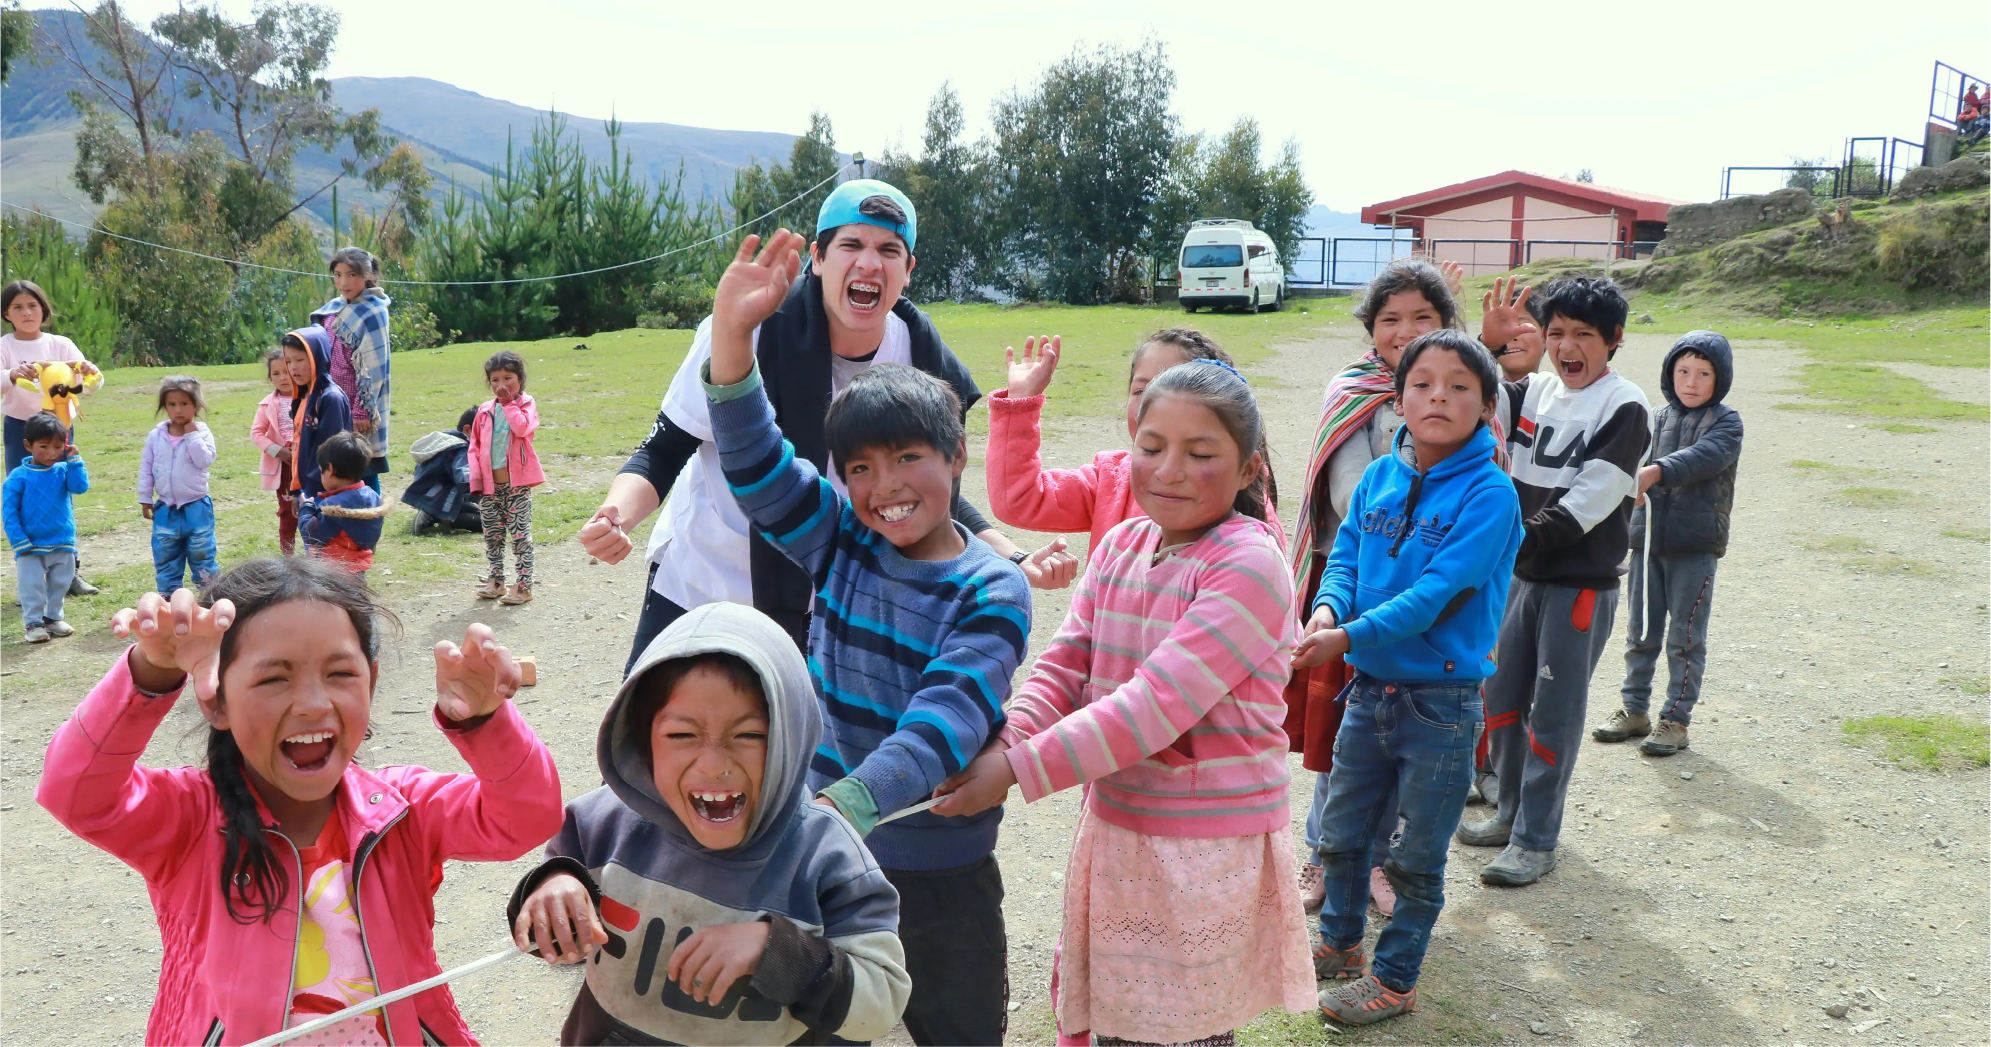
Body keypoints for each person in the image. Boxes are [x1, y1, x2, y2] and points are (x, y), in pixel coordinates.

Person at [704, 229, 1031, 1047]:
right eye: (858, 469)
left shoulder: (992, 587)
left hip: (938, 865)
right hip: (828, 862)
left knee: (958, 1032)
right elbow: (754, 461)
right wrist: (734, 335)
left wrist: (847, 802)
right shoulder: (840, 535)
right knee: (816, 1029)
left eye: (908, 458)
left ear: (957, 457)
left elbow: (945, 720)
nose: (882, 488)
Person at [935, 359, 1314, 1047]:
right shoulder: (1120, 543)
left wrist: (1015, 772)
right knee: (1120, 1020)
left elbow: (1152, 705)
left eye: (1199, 454)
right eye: (1149, 446)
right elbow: (1067, 662)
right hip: (1120, 826)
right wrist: (1006, 738)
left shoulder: (1248, 563)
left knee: (1181, 1031)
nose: (1167, 469)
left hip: (1202, 846)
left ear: (1247, 467)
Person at [35, 557, 563, 1047]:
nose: (313, 704)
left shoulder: (404, 809)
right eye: (273, 678)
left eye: (340, 674)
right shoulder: (190, 817)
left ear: (371, 683)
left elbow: (528, 816)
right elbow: (76, 793)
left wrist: (484, 722)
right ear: (217, 697)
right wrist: (153, 674)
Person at [577, 178, 1067, 670]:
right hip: (707, 576)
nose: (869, 263)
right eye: (851, 244)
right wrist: (614, 513)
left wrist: (1012, 554)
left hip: (831, 599)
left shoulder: (919, 356)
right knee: (652, 733)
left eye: (889, 250)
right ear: (817, 257)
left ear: (908, 269)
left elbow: (927, 491)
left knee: (799, 742)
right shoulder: (745, 328)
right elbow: (663, 450)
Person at [510, 601, 911, 1047]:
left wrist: (775, 952)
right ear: (643, 745)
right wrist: (553, 887)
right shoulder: (602, 823)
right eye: (682, 736)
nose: (715, 764)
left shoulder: (826, 856)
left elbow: (881, 1004)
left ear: (793, 739)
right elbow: (552, 941)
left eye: (749, 735)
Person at [1294, 330, 1522, 1026]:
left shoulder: (1491, 495)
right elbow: (1347, 560)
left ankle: (1393, 980)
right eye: (1422, 383)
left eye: (1458, 387)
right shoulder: (1376, 478)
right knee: (1340, 834)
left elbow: (1436, 595)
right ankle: (1337, 948)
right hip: (1366, 692)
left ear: (1486, 407)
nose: (1437, 397)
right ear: (1398, 398)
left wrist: (1345, 635)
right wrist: (1328, 606)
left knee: (1414, 857)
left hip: (1441, 705)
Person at [1457, 275, 1650, 887]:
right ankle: (1510, 814)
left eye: (1584, 335)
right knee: (1502, 702)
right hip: (1521, 579)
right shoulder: (1533, 391)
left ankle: (1536, 840)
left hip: (1579, 586)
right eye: (1557, 332)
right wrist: (1485, 349)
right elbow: (1470, 402)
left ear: (1614, 339)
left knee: (1554, 716)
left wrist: (1494, 543)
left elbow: (1585, 505)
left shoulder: (1626, 406)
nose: (1568, 347)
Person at [1289, 259, 1460, 916]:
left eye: (1422, 317)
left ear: (1445, 323)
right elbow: (1349, 493)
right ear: (1370, 328)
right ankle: (1323, 854)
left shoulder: (1466, 387)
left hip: (1437, 601)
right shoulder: (1353, 389)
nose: (1404, 330)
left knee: (1412, 733)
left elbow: (1480, 479)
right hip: (1357, 587)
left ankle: (1383, 859)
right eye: (1390, 318)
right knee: (1341, 733)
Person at [985, 327, 1284, 570]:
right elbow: (1018, 499)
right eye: (1141, 390)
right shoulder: (1111, 479)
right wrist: (1019, 403)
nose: (1153, 404)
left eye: (1200, 455)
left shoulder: (1246, 522)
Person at [1594, 331, 1743, 757]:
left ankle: (1675, 719)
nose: (1691, 381)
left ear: (1721, 378)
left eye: (1703, 373)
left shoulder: (1727, 423)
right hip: (1646, 542)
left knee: (1685, 637)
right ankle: (1634, 709)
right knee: (1640, 629)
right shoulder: (1653, 418)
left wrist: (1656, 470)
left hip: (1695, 548)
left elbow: (1706, 456)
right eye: (1683, 371)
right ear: (1669, 374)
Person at [3, 278, 102, 596]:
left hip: (59, 431)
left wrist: (89, 370)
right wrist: (12, 374)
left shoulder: (61, 344)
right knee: (24, 498)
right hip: (20, 428)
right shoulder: (5, 346)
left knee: (62, 497)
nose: (26, 312)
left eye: (32, 305)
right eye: (17, 307)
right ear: (6, 313)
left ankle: (70, 574)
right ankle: (30, 581)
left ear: (43, 310)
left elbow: (90, 383)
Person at [312, 246, 393, 492]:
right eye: (338, 274)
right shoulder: (334, 307)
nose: (343, 282)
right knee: (334, 463)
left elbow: (374, 368)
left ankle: (369, 520)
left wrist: (361, 410)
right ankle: (339, 522)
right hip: (331, 401)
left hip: (356, 406)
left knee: (360, 465)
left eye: (351, 275)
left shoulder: (373, 312)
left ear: (367, 275)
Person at [5, 411, 89, 642]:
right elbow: (9, 512)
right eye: (43, 446)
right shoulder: (18, 477)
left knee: (60, 582)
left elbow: (80, 487)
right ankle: (33, 624)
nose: (51, 453)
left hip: (62, 540)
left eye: (57, 447)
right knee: (31, 586)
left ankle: (53, 618)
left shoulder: (63, 470)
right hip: (30, 544)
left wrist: (74, 461)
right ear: (28, 445)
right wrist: (19, 540)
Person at [468, 350, 542, 605]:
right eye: (495, 379)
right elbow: (474, 447)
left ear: (520, 379)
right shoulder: (485, 410)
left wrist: (509, 404)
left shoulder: (526, 405)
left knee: (520, 536)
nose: (501, 384)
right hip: (490, 487)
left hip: (517, 487)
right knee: (493, 536)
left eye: (508, 378)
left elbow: (522, 427)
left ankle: (523, 586)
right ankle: (496, 580)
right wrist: (476, 478)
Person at [139, 375, 219, 595]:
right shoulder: (156, 436)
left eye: (184, 403)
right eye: (172, 404)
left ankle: (208, 594)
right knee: (165, 555)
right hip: (165, 508)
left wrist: (192, 436)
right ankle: (169, 597)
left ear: (196, 405)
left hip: (197, 508)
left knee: (202, 553)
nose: (178, 410)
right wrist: (145, 497)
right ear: (165, 407)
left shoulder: (202, 433)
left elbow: (204, 460)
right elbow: (146, 467)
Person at [300, 430, 387, 580]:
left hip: (331, 574)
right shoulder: (373, 497)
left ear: (331, 469)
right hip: (358, 572)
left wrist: (306, 508)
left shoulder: (333, 508)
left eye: (322, 471)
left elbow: (311, 535)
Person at [282, 325, 354, 503]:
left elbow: (329, 453)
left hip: (326, 495)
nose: (293, 368)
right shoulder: (303, 397)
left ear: (318, 359)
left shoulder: (330, 399)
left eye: (299, 360)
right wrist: (296, 490)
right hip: (306, 491)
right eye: (288, 361)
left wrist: (310, 494)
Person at [251, 346, 299, 556]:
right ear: (270, 378)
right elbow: (256, 433)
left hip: (307, 465)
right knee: (288, 513)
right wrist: (277, 450)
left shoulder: (309, 399)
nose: (282, 377)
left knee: (311, 509)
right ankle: (288, 557)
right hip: (285, 468)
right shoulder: (267, 405)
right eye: (276, 373)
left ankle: (314, 556)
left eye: (286, 371)